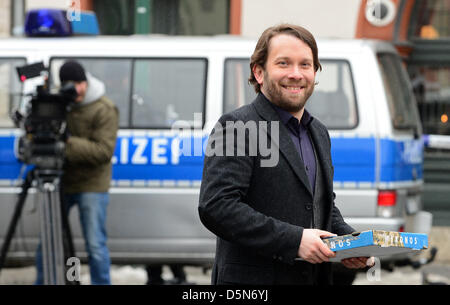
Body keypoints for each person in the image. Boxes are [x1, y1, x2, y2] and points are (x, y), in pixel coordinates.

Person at [198, 24, 371, 285]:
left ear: (314, 72)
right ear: (259, 72)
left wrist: (349, 242)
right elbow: (217, 206)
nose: (296, 74)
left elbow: (322, 206)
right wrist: (295, 241)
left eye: (305, 65)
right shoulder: (235, 126)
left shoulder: (319, 133)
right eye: (283, 63)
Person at [35, 60, 119, 285]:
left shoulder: (103, 108)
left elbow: (103, 151)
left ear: (86, 81)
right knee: (49, 241)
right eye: (71, 84)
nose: (78, 89)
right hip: (61, 181)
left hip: (92, 184)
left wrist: (67, 143)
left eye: (80, 83)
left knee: (94, 244)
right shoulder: (60, 104)